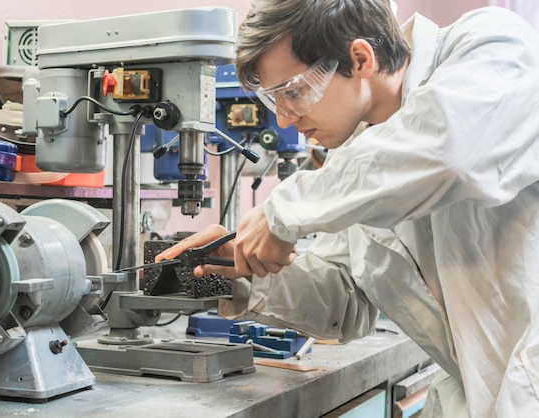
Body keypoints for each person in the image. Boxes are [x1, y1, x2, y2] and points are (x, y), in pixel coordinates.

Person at [155, 1, 539, 416]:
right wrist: (236, 275)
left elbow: (450, 149)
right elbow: (346, 300)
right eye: (273, 102)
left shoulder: (493, 44)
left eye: (293, 92)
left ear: (359, 59)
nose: (283, 121)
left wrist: (280, 212)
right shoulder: (350, 165)